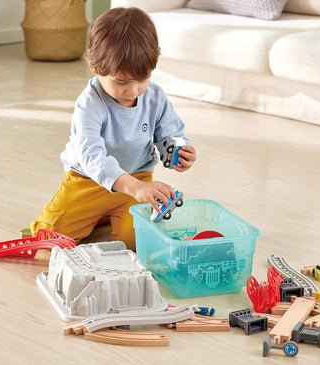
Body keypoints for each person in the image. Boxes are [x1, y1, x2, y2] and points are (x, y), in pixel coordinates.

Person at [30, 7, 196, 250]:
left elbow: (170, 133)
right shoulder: (90, 103)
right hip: (86, 182)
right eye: (121, 82)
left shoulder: (156, 96)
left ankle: (108, 216)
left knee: (137, 243)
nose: (133, 91)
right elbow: (91, 157)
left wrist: (180, 149)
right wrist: (136, 188)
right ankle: (98, 216)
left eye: (144, 78)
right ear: (95, 67)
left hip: (136, 179)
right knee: (47, 242)